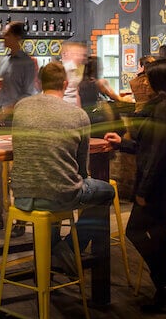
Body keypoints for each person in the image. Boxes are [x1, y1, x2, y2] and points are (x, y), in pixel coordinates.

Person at [10, 62, 115, 276]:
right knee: (106, 192)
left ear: (38, 82)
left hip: (21, 196)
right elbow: (82, 168)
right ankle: (68, 248)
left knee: (55, 191)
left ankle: (55, 252)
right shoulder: (78, 115)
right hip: (60, 195)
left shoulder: (21, 107)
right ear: (66, 85)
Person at [104, 59, 166, 314]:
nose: (139, 81)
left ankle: (165, 289)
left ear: (157, 80)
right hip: (160, 181)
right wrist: (121, 143)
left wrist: (142, 191)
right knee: (156, 234)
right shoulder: (160, 106)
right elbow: (147, 148)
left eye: (144, 77)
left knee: (138, 231)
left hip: (161, 184)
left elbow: (158, 155)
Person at [0, 21, 38, 234]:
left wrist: (9, 107)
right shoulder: (4, 60)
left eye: (6, 34)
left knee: (20, 170)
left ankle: (21, 219)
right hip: (2, 120)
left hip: (19, 120)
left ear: (16, 37)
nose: (2, 37)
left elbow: (28, 94)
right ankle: (1, 216)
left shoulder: (26, 63)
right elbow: (8, 89)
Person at [78, 56, 122, 137]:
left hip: (87, 119)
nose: (102, 68)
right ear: (96, 68)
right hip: (99, 119)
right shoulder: (100, 83)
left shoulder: (81, 84)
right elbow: (117, 98)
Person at [59, 40, 88, 106]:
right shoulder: (65, 69)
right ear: (65, 54)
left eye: (82, 55)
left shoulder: (78, 69)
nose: (80, 57)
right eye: (76, 54)